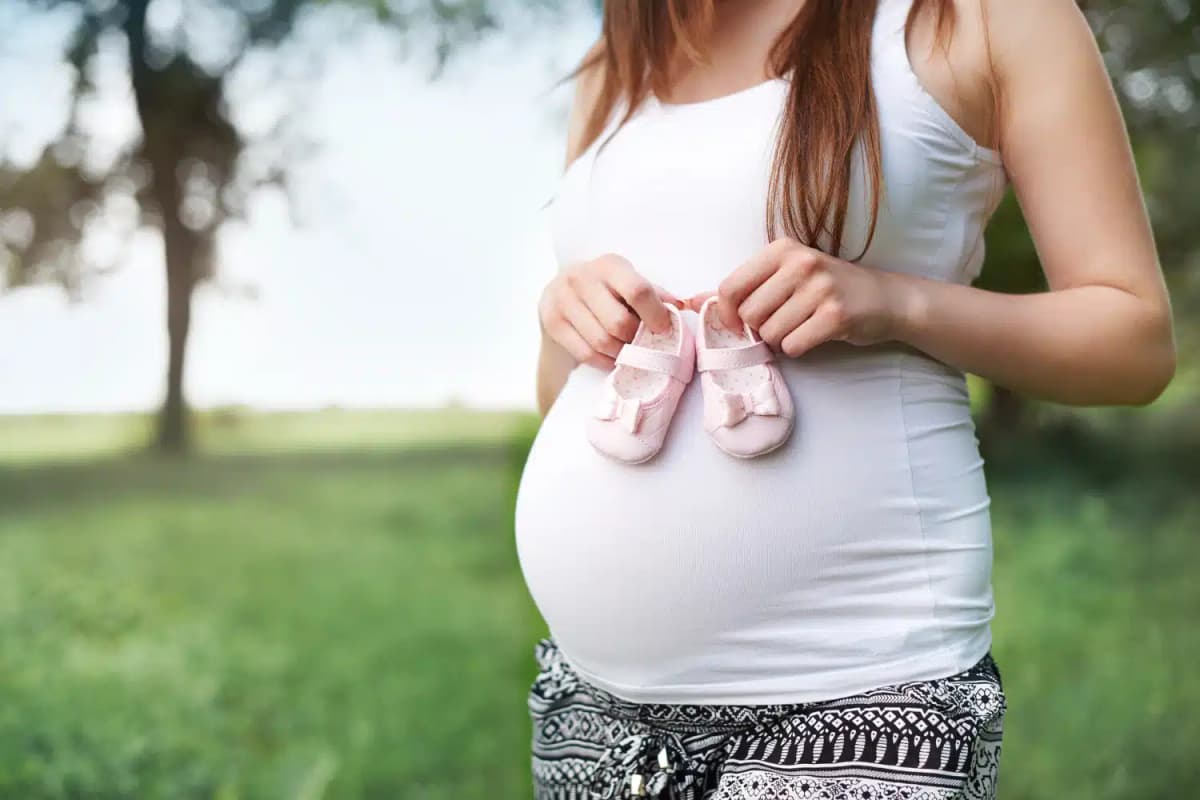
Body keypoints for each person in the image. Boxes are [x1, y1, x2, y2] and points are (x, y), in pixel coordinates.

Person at [513, 1, 1176, 798]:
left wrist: (896, 303)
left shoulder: (979, 17)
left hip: (858, 698)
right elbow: (558, 395)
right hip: (591, 709)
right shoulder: (621, 55)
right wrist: (565, 316)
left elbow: (1134, 343)